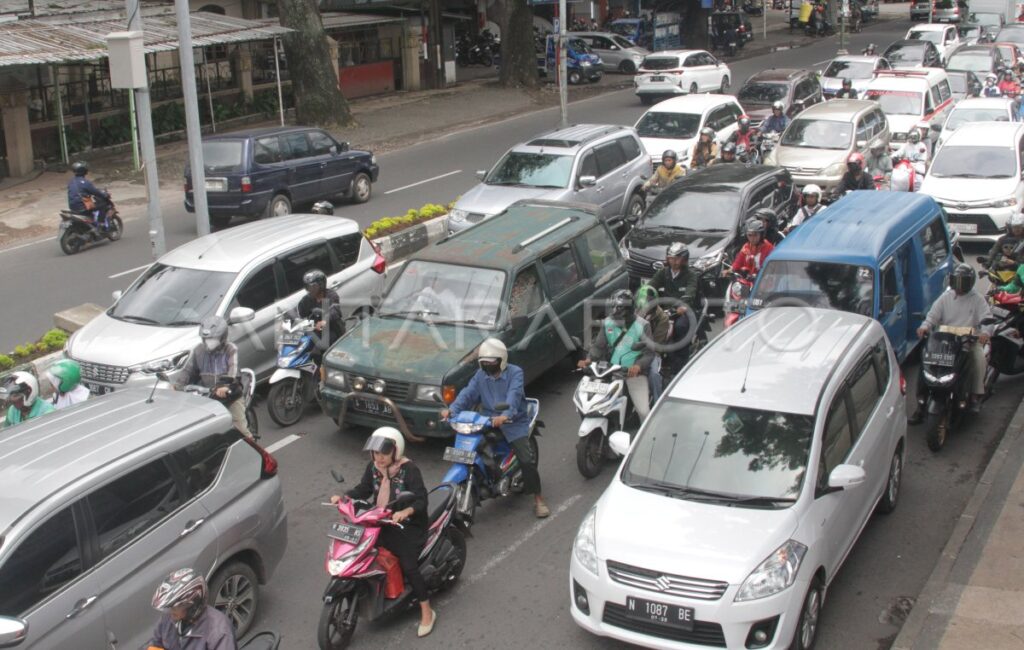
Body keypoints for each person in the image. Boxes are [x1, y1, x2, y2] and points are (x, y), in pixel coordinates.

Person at [330, 427, 436, 636]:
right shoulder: (373, 468)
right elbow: (364, 489)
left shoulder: (410, 470)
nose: (379, 458)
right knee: (360, 550)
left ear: (395, 452)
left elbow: (421, 499)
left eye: (384, 453)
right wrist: (343, 497)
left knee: (408, 565)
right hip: (380, 519)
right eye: (375, 453)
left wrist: (406, 511)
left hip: (407, 524)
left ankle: (426, 609)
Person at [443, 338, 549, 518]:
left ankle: (538, 499)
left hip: (513, 421)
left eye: (491, 363)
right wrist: (451, 410)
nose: (487, 366)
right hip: (486, 419)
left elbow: (514, 395)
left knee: (525, 460)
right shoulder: (480, 376)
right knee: (473, 447)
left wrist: (505, 415)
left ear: (502, 360)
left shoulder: (516, 373)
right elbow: (468, 394)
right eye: (483, 363)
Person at [909, 264, 993, 422]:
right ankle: (921, 404)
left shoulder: (978, 299)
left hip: (968, 341)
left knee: (978, 359)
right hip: (945, 340)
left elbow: (987, 320)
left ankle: (975, 396)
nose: (959, 286)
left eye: (963, 282)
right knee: (926, 364)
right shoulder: (945, 297)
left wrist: (985, 333)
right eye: (957, 281)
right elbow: (932, 316)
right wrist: (924, 327)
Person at [577, 289, 655, 420]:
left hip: (633, 374)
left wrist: (638, 366)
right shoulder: (608, 322)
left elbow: (649, 353)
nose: (614, 315)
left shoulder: (643, 325)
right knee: (591, 403)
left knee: (644, 412)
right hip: (610, 371)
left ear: (628, 311)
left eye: (618, 312)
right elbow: (598, 347)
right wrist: (589, 359)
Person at [176, 315, 253, 439]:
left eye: (213, 338)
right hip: (208, 396)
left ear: (222, 337)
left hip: (230, 394)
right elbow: (187, 371)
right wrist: (177, 386)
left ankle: (257, 451)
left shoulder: (230, 349)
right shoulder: (198, 351)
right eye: (206, 338)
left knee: (242, 431)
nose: (209, 341)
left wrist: (225, 386)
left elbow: (232, 371)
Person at [148, 568, 236, 650]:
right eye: (170, 607)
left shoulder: (219, 631)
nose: (171, 611)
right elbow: (156, 643)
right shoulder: (168, 618)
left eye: (175, 607)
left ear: (192, 606)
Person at [648, 242, 700, 377]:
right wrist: (643, 296)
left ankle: (680, 367)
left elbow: (690, 293)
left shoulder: (691, 275)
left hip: (683, 311)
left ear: (684, 259)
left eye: (677, 258)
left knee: (680, 328)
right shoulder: (663, 273)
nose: (674, 261)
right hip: (664, 311)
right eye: (671, 258)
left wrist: (681, 307)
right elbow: (650, 287)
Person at [290, 268, 344, 362]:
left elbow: (335, 311)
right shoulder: (306, 300)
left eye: (312, 286)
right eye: (308, 287)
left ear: (321, 285)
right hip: (315, 332)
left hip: (333, 330)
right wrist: (289, 324)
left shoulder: (331, 295)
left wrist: (324, 321)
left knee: (321, 354)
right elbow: (297, 313)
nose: (309, 289)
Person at [635, 284, 671, 401]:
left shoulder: (663, 318)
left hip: (651, 352)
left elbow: (655, 343)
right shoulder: (634, 312)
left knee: (654, 375)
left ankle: (657, 403)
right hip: (631, 349)